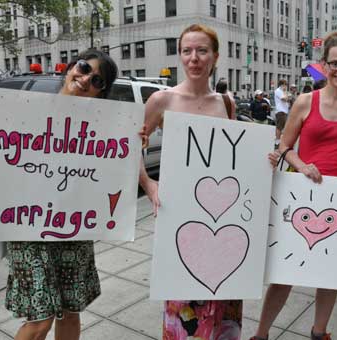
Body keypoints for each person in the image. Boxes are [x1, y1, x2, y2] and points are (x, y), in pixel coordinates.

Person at [0, 49, 146, 340]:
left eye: (98, 80)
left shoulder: (104, 129)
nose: (86, 78)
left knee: (71, 312)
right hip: (27, 229)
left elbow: (114, 174)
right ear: (71, 66)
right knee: (40, 319)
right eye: (84, 67)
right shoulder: (22, 109)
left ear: (101, 93)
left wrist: (134, 144)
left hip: (74, 229)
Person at [250, 32, 337, 340]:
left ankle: (319, 332)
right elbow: (285, 145)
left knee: (330, 272)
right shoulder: (304, 102)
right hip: (302, 197)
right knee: (284, 275)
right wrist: (301, 165)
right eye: (336, 63)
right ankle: (260, 334)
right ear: (324, 65)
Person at [139, 24, 242, 340]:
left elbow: (236, 154)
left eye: (201, 51)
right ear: (180, 55)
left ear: (215, 57)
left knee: (222, 293)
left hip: (224, 214)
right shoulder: (162, 100)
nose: (194, 58)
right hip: (181, 214)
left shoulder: (226, 103)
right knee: (185, 304)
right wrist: (149, 185)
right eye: (187, 51)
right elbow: (129, 146)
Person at [273, 80, 290, 146]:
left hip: (284, 111)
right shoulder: (278, 91)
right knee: (280, 127)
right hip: (281, 111)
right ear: (281, 85)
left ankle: (279, 140)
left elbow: (288, 99)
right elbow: (284, 99)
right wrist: (285, 92)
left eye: (286, 84)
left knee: (283, 126)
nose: (286, 86)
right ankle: (277, 141)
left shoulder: (282, 91)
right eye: (285, 84)